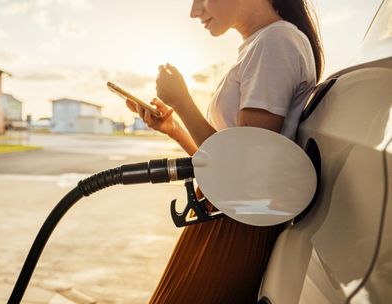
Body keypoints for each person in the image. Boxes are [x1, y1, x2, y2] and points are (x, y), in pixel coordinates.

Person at [126, 0, 323, 302]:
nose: (194, 11)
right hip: (222, 212)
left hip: (235, 223)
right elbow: (220, 162)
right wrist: (175, 128)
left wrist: (183, 101)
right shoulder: (261, 44)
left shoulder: (276, 41)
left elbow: (240, 168)